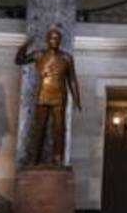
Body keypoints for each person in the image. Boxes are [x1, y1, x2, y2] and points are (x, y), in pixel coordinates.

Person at [15, 28, 81, 167]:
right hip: (43, 94)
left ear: (60, 41)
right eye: (51, 38)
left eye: (57, 39)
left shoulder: (66, 57)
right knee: (39, 128)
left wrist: (76, 99)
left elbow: (72, 80)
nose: (54, 41)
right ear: (47, 40)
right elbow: (19, 61)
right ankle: (34, 158)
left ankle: (58, 158)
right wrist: (25, 46)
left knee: (59, 129)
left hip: (60, 95)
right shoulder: (39, 55)